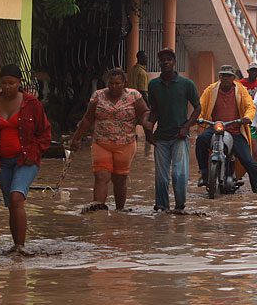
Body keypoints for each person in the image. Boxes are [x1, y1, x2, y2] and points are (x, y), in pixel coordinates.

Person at [0, 64, 52, 250]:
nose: (7, 87)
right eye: (3, 83)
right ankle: (15, 245)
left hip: (25, 160)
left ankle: (20, 246)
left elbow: (45, 134)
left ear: (19, 83)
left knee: (16, 198)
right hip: (1, 162)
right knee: (11, 205)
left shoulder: (31, 104)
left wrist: (34, 154)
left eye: (11, 83)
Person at [71, 68, 152, 210]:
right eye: (111, 83)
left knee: (119, 180)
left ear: (124, 84)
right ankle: (98, 211)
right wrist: (76, 138)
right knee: (101, 176)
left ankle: (119, 212)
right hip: (101, 143)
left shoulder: (134, 96)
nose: (114, 87)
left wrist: (147, 126)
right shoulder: (98, 96)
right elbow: (88, 119)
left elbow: (145, 112)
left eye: (117, 83)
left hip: (125, 144)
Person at [196, 65, 257, 193]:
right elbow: (201, 104)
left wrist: (247, 117)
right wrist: (198, 118)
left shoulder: (241, 91)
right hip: (216, 128)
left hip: (235, 131)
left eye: (229, 76)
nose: (226, 78)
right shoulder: (211, 90)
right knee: (200, 139)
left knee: (249, 161)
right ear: (219, 76)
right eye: (223, 75)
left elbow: (250, 106)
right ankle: (204, 173)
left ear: (234, 78)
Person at [147, 47, 200, 211]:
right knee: (161, 178)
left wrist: (186, 127)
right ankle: (162, 207)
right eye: (162, 60)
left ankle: (179, 206)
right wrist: (148, 131)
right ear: (159, 63)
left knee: (179, 174)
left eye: (169, 59)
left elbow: (198, 108)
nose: (166, 62)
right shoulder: (154, 85)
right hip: (161, 136)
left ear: (174, 62)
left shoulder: (186, 84)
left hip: (180, 136)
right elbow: (154, 110)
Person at [127, 50, 151, 152]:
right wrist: (147, 104)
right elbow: (142, 90)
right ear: (140, 58)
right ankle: (148, 142)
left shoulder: (132, 69)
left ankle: (131, 142)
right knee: (146, 121)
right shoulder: (142, 72)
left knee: (132, 122)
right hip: (139, 101)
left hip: (130, 100)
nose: (146, 59)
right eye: (145, 58)